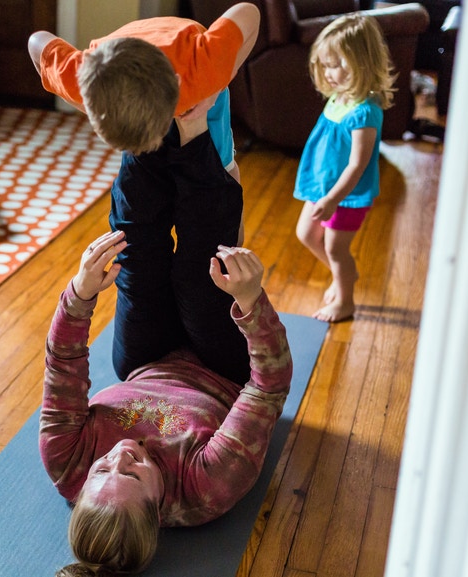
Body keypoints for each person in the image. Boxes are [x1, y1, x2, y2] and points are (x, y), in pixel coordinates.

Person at [41, 231, 293, 576]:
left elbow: (62, 363)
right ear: (157, 511)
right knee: (201, 257)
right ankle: (219, 182)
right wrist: (252, 301)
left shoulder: (65, 462)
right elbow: (268, 388)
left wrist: (80, 292)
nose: (121, 454)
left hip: (145, 359)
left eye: (102, 469)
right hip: (219, 366)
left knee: (137, 237)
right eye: (133, 474)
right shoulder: (207, 486)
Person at [27, 3, 261, 243]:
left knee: (221, 175)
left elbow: (249, 12)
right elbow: (37, 41)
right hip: (124, 64)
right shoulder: (81, 79)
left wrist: (219, 82)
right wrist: (88, 104)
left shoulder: (200, 69)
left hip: (197, 84)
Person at [293, 14, 396, 323]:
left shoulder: (365, 111)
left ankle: (346, 300)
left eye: (336, 64)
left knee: (336, 249)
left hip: (346, 194)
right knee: (306, 235)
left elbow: (357, 165)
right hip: (323, 186)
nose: (329, 73)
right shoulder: (339, 97)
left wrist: (332, 200)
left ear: (362, 62)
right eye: (325, 65)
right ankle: (343, 277)